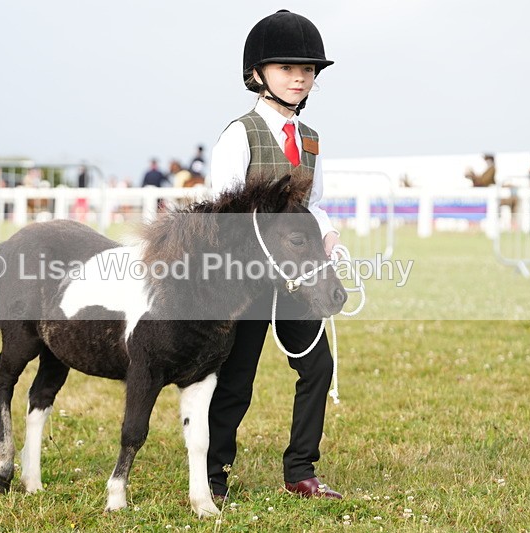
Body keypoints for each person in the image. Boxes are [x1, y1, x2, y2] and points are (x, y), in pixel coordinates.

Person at [207, 9, 343, 501]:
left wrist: (326, 235)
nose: (300, 77)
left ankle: (301, 470)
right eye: (287, 68)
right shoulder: (240, 134)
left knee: (317, 366)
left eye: (307, 70)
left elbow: (315, 205)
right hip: (248, 278)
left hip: (297, 277)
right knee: (237, 378)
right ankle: (213, 474)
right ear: (258, 74)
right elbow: (223, 211)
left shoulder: (309, 139)